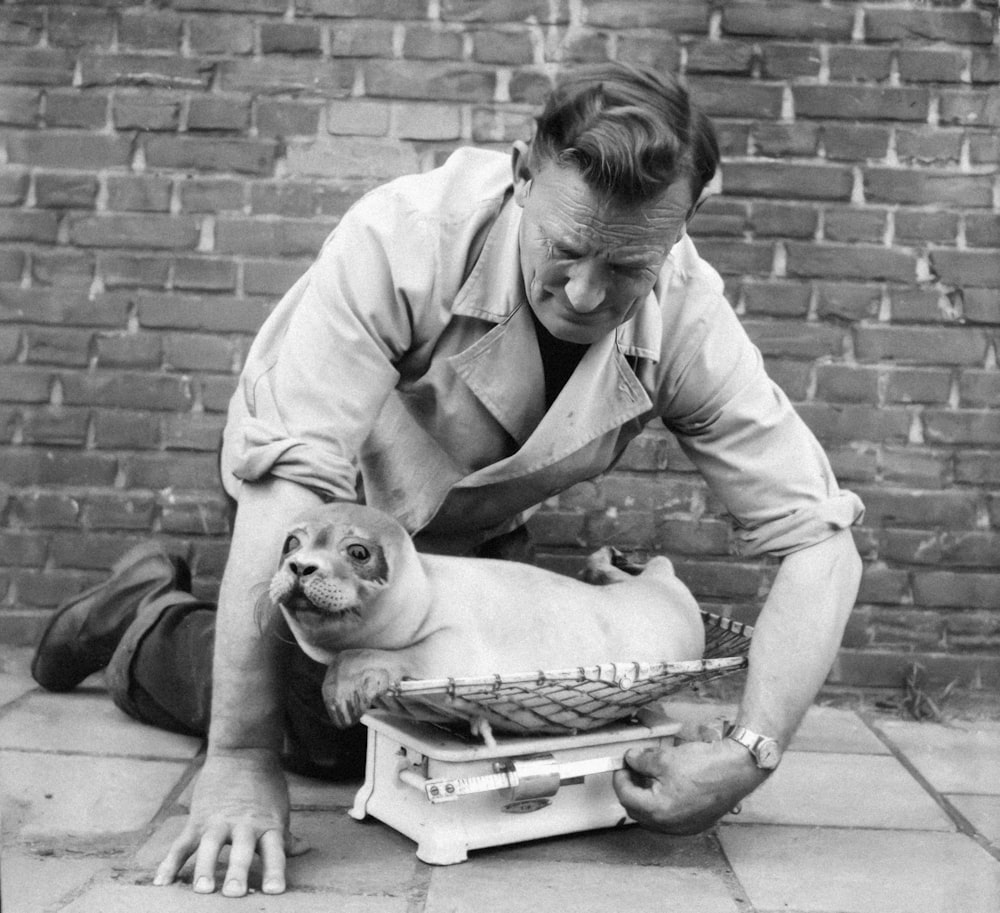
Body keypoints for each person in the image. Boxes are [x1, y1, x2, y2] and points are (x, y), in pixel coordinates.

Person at [31, 62, 863, 897]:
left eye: (628, 269)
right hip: (317, 514)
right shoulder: (402, 237)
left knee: (473, 714)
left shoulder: (691, 314)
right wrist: (242, 762)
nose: (584, 293)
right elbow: (291, 478)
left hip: (467, 534)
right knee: (336, 728)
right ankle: (143, 618)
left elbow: (821, 541)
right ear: (521, 168)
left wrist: (751, 752)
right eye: (565, 251)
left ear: (688, 218)